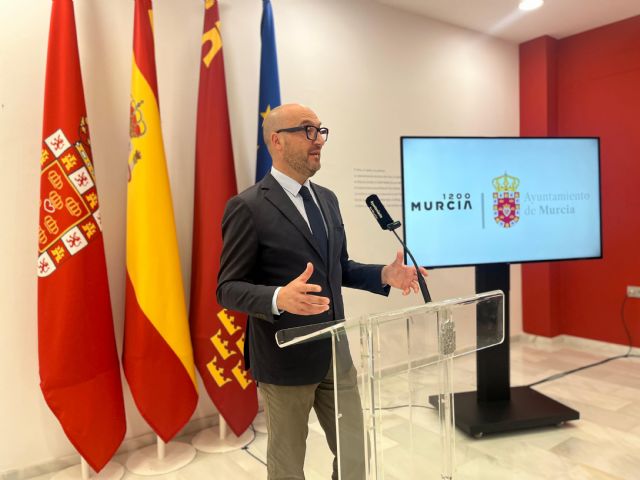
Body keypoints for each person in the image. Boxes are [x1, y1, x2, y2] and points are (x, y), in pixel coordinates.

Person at [217, 103, 427, 480]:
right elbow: (227, 289)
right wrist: (278, 298)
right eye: (308, 131)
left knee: (354, 451)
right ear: (277, 141)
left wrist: (385, 275)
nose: (319, 141)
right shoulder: (247, 207)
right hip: (285, 359)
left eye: (320, 131)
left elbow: (338, 267)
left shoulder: (327, 199)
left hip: (335, 351)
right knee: (288, 466)